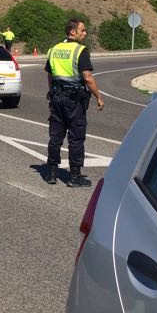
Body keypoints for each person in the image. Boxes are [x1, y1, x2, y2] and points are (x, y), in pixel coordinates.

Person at [44, 19, 104, 187]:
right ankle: (75, 176)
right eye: (82, 30)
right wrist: (98, 95)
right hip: (74, 100)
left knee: (55, 136)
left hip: (57, 97)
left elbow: (50, 75)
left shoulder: (54, 50)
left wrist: (52, 91)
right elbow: (87, 77)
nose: (85, 33)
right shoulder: (80, 50)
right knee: (76, 138)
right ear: (72, 32)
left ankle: (52, 173)